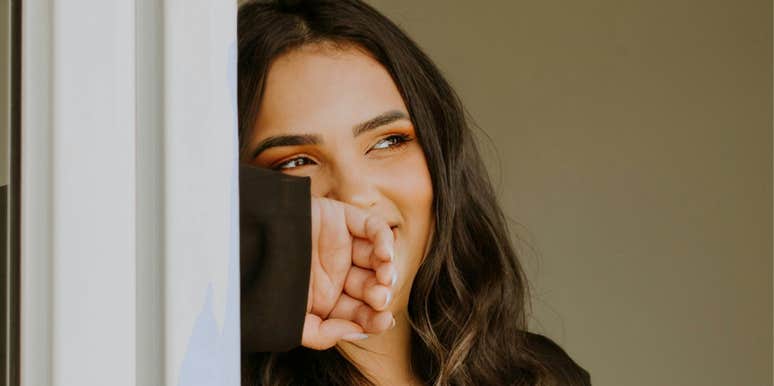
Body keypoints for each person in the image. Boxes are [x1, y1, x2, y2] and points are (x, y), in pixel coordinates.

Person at [238, 0, 592, 385]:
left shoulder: (539, 373)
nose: (356, 195)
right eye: (295, 162)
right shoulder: (196, 369)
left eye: (389, 141)